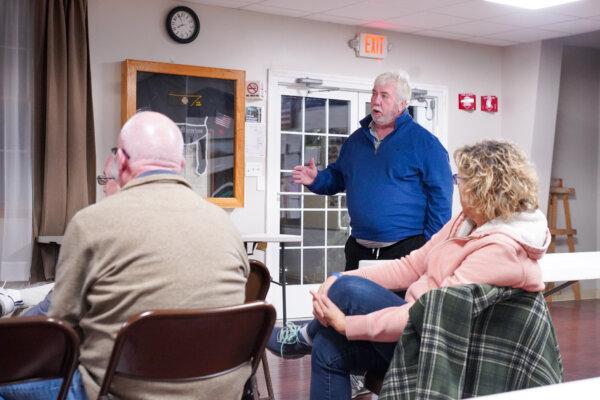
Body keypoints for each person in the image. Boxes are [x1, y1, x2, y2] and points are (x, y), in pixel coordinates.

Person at [267, 140, 549, 400]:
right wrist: (339, 275)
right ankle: (308, 337)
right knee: (328, 345)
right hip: (418, 326)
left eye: (460, 179)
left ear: (483, 187)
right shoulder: (467, 222)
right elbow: (411, 266)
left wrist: (347, 324)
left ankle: (302, 337)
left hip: (445, 347)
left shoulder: (502, 251)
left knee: (346, 292)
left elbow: (431, 313)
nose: (456, 185)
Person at [0, 111, 250, 400]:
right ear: (181, 165)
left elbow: (58, 333)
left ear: (121, 161)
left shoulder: (91, 223)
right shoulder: (225, 224)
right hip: (219, 390)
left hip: (117, 392)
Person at [293, 71, 453, 270]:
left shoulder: (426, 144)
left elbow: (442, 198)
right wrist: (317, 179)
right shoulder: (356, 140)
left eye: (384, 96)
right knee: (351, 301)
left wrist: (429, 245)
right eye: (374, 93)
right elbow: (338, 177)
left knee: (399, 303)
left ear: (402, 104)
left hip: (406, 250)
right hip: (358, 249)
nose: (376, 101)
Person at [0, 153, 121, 318]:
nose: (104, 187)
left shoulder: (95, 227)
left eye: (105, 179)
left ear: (122, 180)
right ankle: (14, 298)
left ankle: (13, 299)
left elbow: (56, 303)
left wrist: (13, 328)